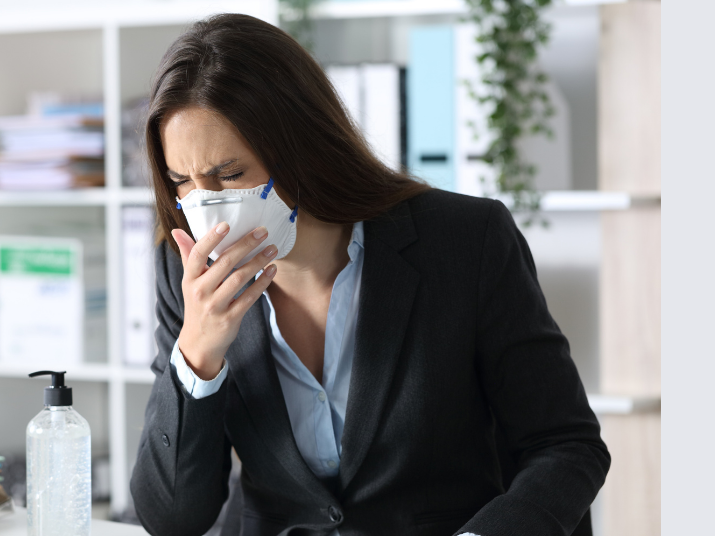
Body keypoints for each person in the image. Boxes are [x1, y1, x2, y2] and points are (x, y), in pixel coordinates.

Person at [129, 13, 609, 536]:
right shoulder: (183, 269)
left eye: (230, 174)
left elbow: (565, 446)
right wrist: (198, 351)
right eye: (183, 181)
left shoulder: (466, 240)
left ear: (300, 147)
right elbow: (171, 519)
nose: (210, 206)